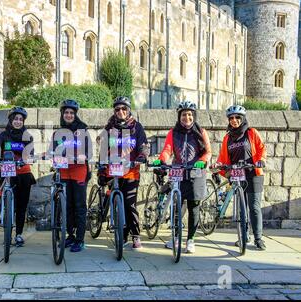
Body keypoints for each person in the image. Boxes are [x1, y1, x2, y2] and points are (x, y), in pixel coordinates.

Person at [153, 101, 212, 254]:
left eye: (190, 114)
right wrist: (163, 159)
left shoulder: (201, 132)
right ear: (179, 116)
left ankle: (191, 239)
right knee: (177, 205)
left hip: (195, 172)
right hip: (178, 170)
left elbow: (208, 152)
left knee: (194, 207)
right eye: (184, 114)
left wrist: (201, 162)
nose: (187, 117)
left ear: (194, 116)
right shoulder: (173, 132)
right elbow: (167, 149)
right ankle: (176, 237)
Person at [98, 96, 149, 250]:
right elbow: (102, 150)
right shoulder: (109, 128)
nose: (121, 111)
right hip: (113, 171)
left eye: (124, 109)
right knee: (113, 199)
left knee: (129, 204)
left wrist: (142, 156)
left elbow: (144, 146)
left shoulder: (136, 127)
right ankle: (120, 231)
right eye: (117, 109)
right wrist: (101, 169)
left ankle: (135, 235)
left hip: (131, 172)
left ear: (128, 110)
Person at [0, 106, 36, 247]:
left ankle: (18, 234)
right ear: (11, 120)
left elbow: (30, 152)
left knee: (21, 206)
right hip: (7, 169)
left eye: (20, 119)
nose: (18, 122)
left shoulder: (27, 136)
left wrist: (29, 158)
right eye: (15, 119)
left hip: (23, 171)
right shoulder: (3, 135)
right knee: (1, 197)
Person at [214, 105, 267, 250]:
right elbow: (223, 157)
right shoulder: (227, 138)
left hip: (253, 172)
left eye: (237, 117)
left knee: (254, 207)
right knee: (241, 207)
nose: (234, 120)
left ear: (242, 118)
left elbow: (261, 148)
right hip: (237, 174)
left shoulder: (251, 133)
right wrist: (219, 164)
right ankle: (243, 236)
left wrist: (261, 159)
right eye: (231, 118)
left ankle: (258, 238)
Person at [48, 99, 92, 252]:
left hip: (79, 171)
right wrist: (50, 156)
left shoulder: (82, 131)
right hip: (64, 171)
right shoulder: (57, 133)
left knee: (79, 205)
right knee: (67, 205)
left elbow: (88, 151)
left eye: (71, 113)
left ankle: (80, 239)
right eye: (66, 112)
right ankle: (70, 235)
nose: (68, 115)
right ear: (62, 114)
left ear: (75, 115)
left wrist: (83, 156)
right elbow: (52, 150)